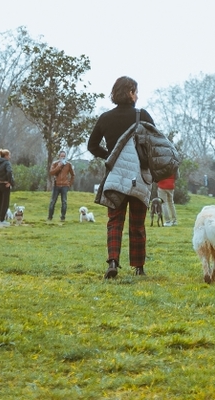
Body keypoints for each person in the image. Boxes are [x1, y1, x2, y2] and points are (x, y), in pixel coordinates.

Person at [87, 76, 155, 278]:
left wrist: (110, 156)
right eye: (136, 91)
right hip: (139, 178)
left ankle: (113, 262)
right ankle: (139, 268)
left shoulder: (105, 118)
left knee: (114, 221)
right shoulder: (142, 115)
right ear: (130, 92)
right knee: (137, 223)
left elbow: (91, 146)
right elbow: (154, 143)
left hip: (115, 177)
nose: (137, 95)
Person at [47, 151, 74, 222]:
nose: (63, 157)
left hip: (65, 186)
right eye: (62, 156)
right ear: (59, 156)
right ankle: (50, 217)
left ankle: (63, 217)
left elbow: (73, 175)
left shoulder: (68, 164)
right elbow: (51, 172)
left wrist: (69, 184)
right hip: (56, 185)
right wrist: (59, 166)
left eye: (64, 156)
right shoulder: (55, 163)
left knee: (64, 202)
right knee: (53, 202)